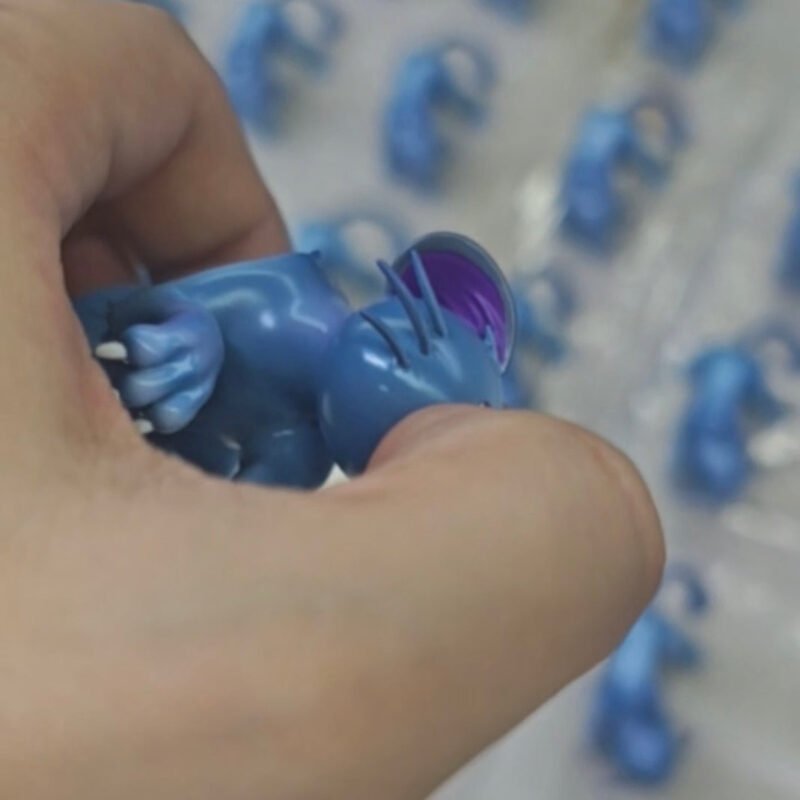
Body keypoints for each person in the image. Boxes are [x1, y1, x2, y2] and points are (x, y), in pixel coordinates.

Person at [0, 2, 664, 797]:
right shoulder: (296, 299)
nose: (407, 370)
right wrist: (192, 338)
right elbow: (199, 306)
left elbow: (215, 529)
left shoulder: (304, 458)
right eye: (427, 337)